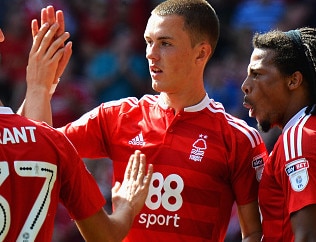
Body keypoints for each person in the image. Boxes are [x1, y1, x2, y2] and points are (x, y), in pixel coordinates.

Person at [20, 1, 268, 241]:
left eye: (165, 43)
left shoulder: (238, 139)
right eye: (148, 42)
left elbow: (255, 233)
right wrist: (42, 85)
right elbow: (37, 152)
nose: (151, 54)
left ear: (201, 52)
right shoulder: (116, 116)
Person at [0, 10, 153, 242]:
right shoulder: (53, 142)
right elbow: (105, 237)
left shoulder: (48, 140)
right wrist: (128, 205)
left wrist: (39, 88)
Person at [241, 27, 316, 241]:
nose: (245, 86)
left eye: (256, 74)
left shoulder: (300, 139)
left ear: (293, 80)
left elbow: (310, 236)